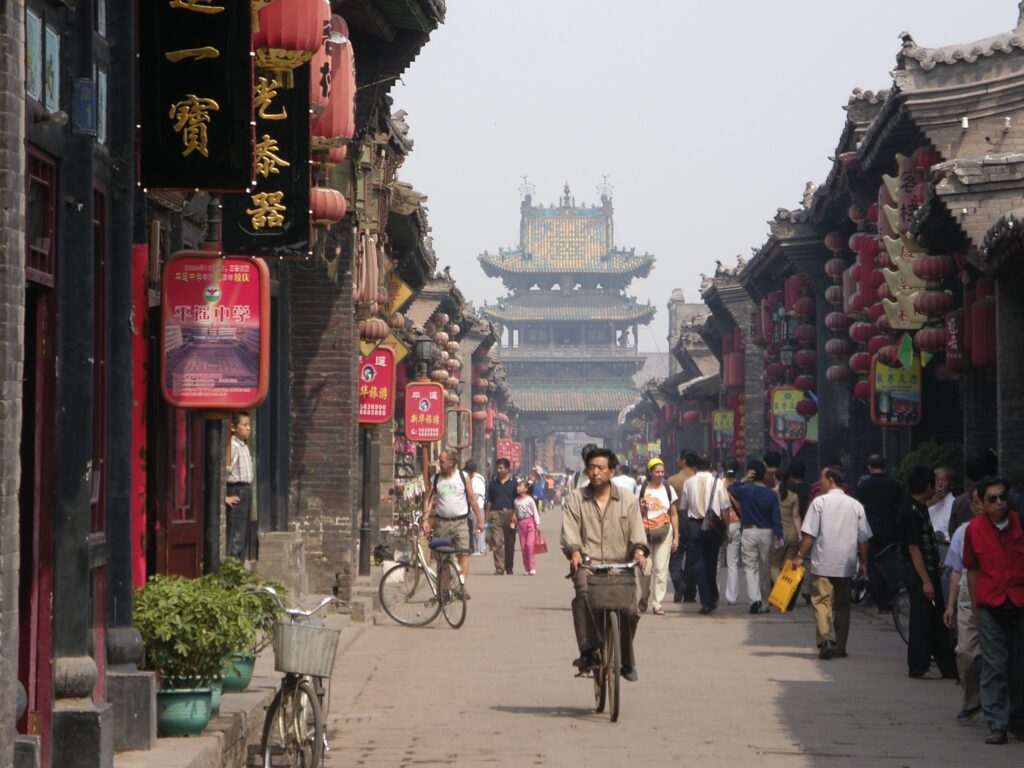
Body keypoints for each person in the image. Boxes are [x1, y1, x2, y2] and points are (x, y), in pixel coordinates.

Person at [561, 448, 648, 682]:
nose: (595, 472)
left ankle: (626, 660)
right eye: (591, 468)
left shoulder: (628, 500)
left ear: (612, 471)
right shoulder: (576, 499)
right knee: (583, 596)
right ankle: (588, 651)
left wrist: (639, 551)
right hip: (588, 565)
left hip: (621, 566)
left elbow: (637, 531)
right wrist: (575, 552)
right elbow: (570, 530)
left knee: (629, 611)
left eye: (600, 468)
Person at [962, 476, 1024, 744]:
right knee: (995, 664)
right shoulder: (974, 529)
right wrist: (976, 606)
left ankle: (1018, 719)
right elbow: (972, 570)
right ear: (982, 504)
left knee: (1019, 665)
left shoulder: (1020, 523)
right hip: (990, 601)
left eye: (1003, 497)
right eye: (992, 499)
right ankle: (997, 722)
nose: (999, 503)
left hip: (1019, 599)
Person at [793, 465, 871, 659]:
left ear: (830, 480)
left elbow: (809, 535)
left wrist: (800, 555)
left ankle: (826, 639)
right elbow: (864, 538)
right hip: (847, 564)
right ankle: (840, 646)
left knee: (822, 601)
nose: (818, 482)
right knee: (843, 605)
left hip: (823, 562)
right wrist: (863, 563)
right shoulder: (855, 505)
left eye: (821, 478)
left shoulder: (819, 502)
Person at [899, 465, 957, 680]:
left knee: (934, 618)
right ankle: (919, 666)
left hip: (929, 570)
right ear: (927, 486)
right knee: (922, 620)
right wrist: (925, 581)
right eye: (934, 483)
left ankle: (948, 667)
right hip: (919, 574)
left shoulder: (920, 507)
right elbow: (914, 548)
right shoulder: (911, 512)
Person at [943, 482, 984, 725]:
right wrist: (950, 605)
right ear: (973, 504)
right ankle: (972, 701)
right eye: (980, 501)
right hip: (969, 600)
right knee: (966, 652)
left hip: (999, 600)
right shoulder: (963, 532)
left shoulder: (1010, 531)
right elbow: (956, 571)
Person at [423, 448, 484, 596]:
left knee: (463, 555)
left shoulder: (463, 477)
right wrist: (425, 518)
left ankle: (461, 587)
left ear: (451, 462)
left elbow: (472, 499)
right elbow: (428, 500)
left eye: (442, 461)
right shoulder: (436, 479)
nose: (439, 464)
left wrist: (480, 519)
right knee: (442, 558)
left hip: (461, 523)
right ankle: (445, 589)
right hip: (442, 524)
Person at [728, 460, 783, 614]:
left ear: (751, 474)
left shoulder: (745, 490)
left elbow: (731, 488)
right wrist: (779, 535)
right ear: (764, 475)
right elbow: (776, 517)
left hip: (749, 531)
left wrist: (744, 479)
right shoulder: (771, 494)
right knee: (765, 569)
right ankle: (765, 603)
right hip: (767, 533)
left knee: (750, 567)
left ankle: (754, 600)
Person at [679, 452, 730, 615]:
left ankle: (706, 601)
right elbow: (725, 508)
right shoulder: (718, 483)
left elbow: (684, 508)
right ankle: (713, 597)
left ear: (695, 467)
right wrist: (726, 529)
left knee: (699, 564)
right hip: (713, 526)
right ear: (710, 466)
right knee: (711, 562)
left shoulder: (688, 483)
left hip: (694, 526)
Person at [854, 454, 904, 613]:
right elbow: (901, 508)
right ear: (885, 466)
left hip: (869, 530)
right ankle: (892, 596)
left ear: (869, 467)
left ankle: (881, 601)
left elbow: (857, 509)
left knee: (872, 564)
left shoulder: (863, 486)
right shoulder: (895, 485)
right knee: (890, 563)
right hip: (891, 529)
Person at [637, 457, 679, 615]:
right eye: (657, 471)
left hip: (664, 531)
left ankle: (657, 603)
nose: (660, 474)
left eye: (662, 471)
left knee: (661, 569)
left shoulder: (668, 489)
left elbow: (673, 514)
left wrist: (676, 536)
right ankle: (644, 595)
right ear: (650, 472)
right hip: (644, 533)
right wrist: (641, 508)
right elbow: (635, 514)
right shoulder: (641, 489)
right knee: (644, 569)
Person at [668, 450, 698, 602]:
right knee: (692, 559)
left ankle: (680, 583)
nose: (677, 460)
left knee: (674, 558)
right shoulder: (698, 480)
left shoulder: (672, 480)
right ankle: (690, 594)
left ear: (684, 461)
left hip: (678, 519)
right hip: (696, 521)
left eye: (679, 458)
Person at [225, 411, 254, 561]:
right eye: (244, 425)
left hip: (246, 490)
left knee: (243, 533)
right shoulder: (233, 447)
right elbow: (224, 472)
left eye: (249, 425)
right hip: (237, 490)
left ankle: (239, 565)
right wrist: (224, 497)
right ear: (233, 427)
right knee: (236, 534)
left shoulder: (243, 446)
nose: (248, 428)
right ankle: (232, 567)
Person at [485, 458, 517, 575]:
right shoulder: (492, 484)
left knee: (510, 543)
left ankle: (509, 567)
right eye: (497, 468)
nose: (498, 470)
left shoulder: (514, 484)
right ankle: (499, 568)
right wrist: (486, 518)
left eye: (501, 468)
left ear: (507, 469)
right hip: (495, 514)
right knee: (496, 542)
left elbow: (516, 501)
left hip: (510, 513)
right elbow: (489, 501)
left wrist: (515, 514)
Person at [770, 470, 802, 584]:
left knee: (773, 565)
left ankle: (781, 589)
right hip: (792, 534)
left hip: (778, 535)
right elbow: (796, 516)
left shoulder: (770, 494)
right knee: (787, 567)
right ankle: (787, 591)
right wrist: (799, 534)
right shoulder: (793, 496)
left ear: (775, 478)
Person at [722, 461, 744, 606]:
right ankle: (732, 597)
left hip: (720, 526)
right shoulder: (740, 486)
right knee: (732, 563)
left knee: (717, 563)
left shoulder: (718, 485)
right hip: (736, 524)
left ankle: (715, 592)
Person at [515, 478, 541, 575]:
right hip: (521, 525)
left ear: (526, 489)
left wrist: (537, 523)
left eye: (520, 486)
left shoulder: (529, 500)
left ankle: (532, 567)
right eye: (518, 486)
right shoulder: (516, 501)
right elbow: (516, 513)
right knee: (523, 548)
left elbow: (535, 511)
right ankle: (526, 568)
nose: (518, 488)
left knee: (529, 545)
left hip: (530, 523)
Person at [464, 460, 488, 556]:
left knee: (478, 528)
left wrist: (472, 507)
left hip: (477, 506)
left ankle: (480, 548)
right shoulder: (470, 478)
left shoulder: (477, 479)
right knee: (472, 529)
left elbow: (476, 495)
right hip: (471, 507)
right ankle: (475, 548)